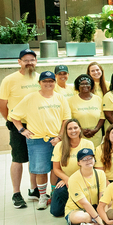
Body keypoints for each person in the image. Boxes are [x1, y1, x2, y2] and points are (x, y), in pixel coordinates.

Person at [9, 70, 70, 210]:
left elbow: (66, 119)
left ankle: (54, 194)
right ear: (39, 83)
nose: (48, 83)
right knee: (40, 170)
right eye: (45, 81)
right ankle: (43, 196)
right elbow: (14, 116)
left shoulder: (60, 98)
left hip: (56, 140)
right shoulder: (30, 98)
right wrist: (22, 130)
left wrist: (60, 137)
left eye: (51, 81)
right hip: (37, 140)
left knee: (56, 168)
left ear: (54, 82)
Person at [50, 119, 95, 217]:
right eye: (69, 128)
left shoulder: (88, 144)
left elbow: (90, 165)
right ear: (66, 131)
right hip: (66, 179)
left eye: (75, 127)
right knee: (55, 211)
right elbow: (56, 168)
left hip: (83, 179)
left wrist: (74, 181)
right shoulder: (59, 146)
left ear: (80, 129)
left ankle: (84, 207)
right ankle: (78, 206)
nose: (73, 131)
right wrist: (66, 179)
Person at [64, 148, 108, 225]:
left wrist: (103, 212)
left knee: (112, 204)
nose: (88, 161)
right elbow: (84, 203)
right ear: (78, 163)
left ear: (94, 159)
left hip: (95, 206)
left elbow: (102, 197)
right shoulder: (73, 179)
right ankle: (95, 223)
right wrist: (100, 219)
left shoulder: (101, 174)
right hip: (77, 209)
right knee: (80, 217)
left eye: (90, 158)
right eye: (84, 159)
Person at [68, 74, 105, 148]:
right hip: (78, 135)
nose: (85, 86)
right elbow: (69, 119)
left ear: (91, 85)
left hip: (96, 135)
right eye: (82, 84)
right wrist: (80, 130)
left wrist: (95, 130)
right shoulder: (70, 101)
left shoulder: (98, 99)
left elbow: (102, 117)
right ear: (77, 86)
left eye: (87, 83)